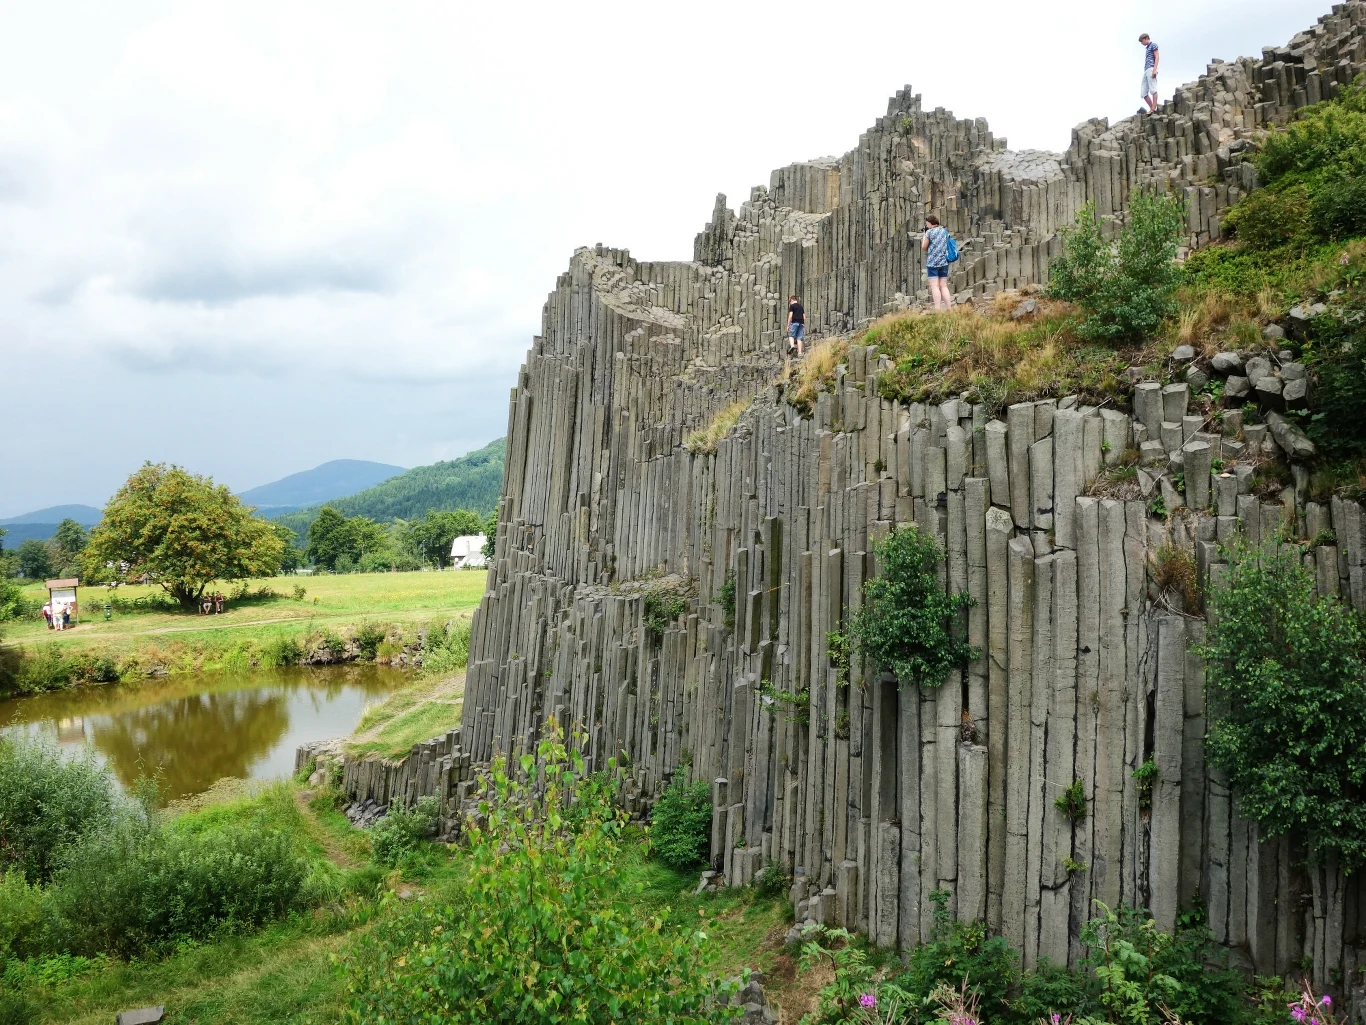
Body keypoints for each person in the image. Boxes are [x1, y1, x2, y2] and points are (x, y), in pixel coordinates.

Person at [922, 215, 953, 310]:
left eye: (927, 224)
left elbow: (924, 247)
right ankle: (949, 308)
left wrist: (924, 234)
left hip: (932, 263)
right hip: (944, 262)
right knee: (943, 286)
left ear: (930, 223)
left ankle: (937, 309)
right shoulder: (944, 231)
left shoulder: (929, 233)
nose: (927, 225)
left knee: (935, 286)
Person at [1139, 34, 1160, 114]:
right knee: (1143, 93)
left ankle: (1153, 109)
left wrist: (1154, 69)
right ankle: (1152, 108)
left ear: (1146, 38)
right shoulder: (1147, 48)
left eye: (1142, 41)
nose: (1142, 43)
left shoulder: (1153, 45)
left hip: (1151, 68)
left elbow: (1157, 56)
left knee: (1153, 89)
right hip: (1146, 70)